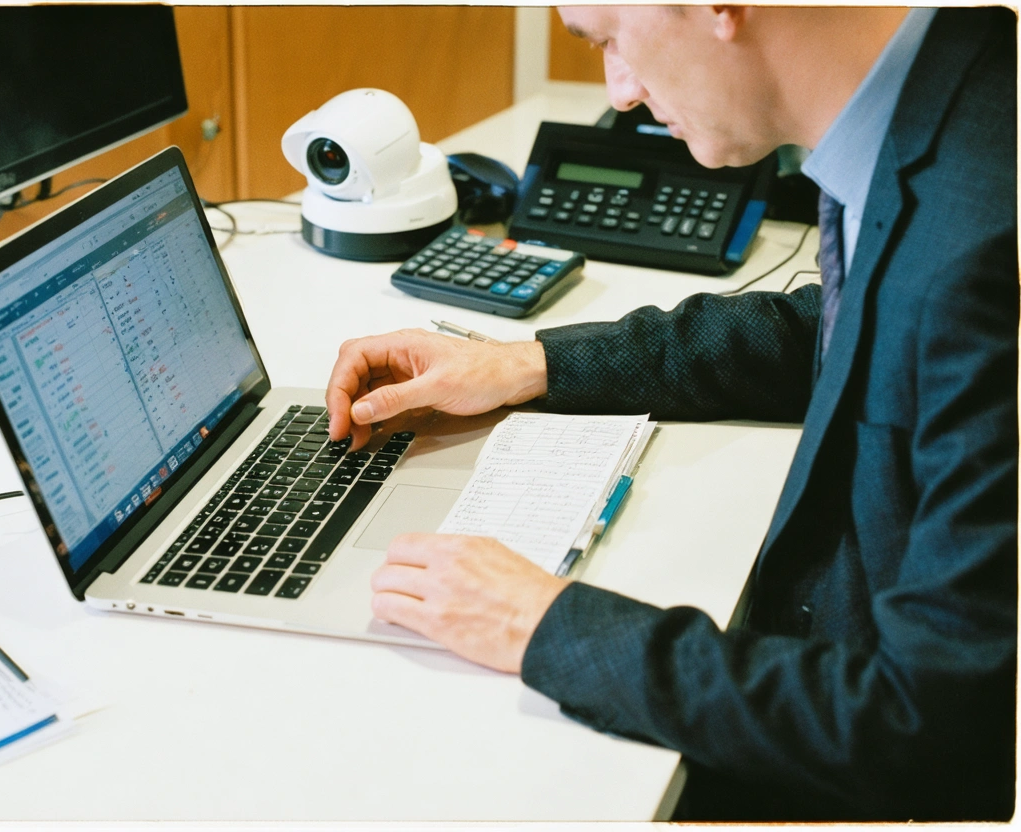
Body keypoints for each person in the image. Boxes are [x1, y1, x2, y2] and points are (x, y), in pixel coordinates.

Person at [324, 5, 1017, 822]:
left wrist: (546, 625)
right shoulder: (948, 93)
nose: (617, 92)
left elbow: (928, 730)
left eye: (608, 36)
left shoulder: (989, 240)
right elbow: (839, 326)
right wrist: (533, 363)